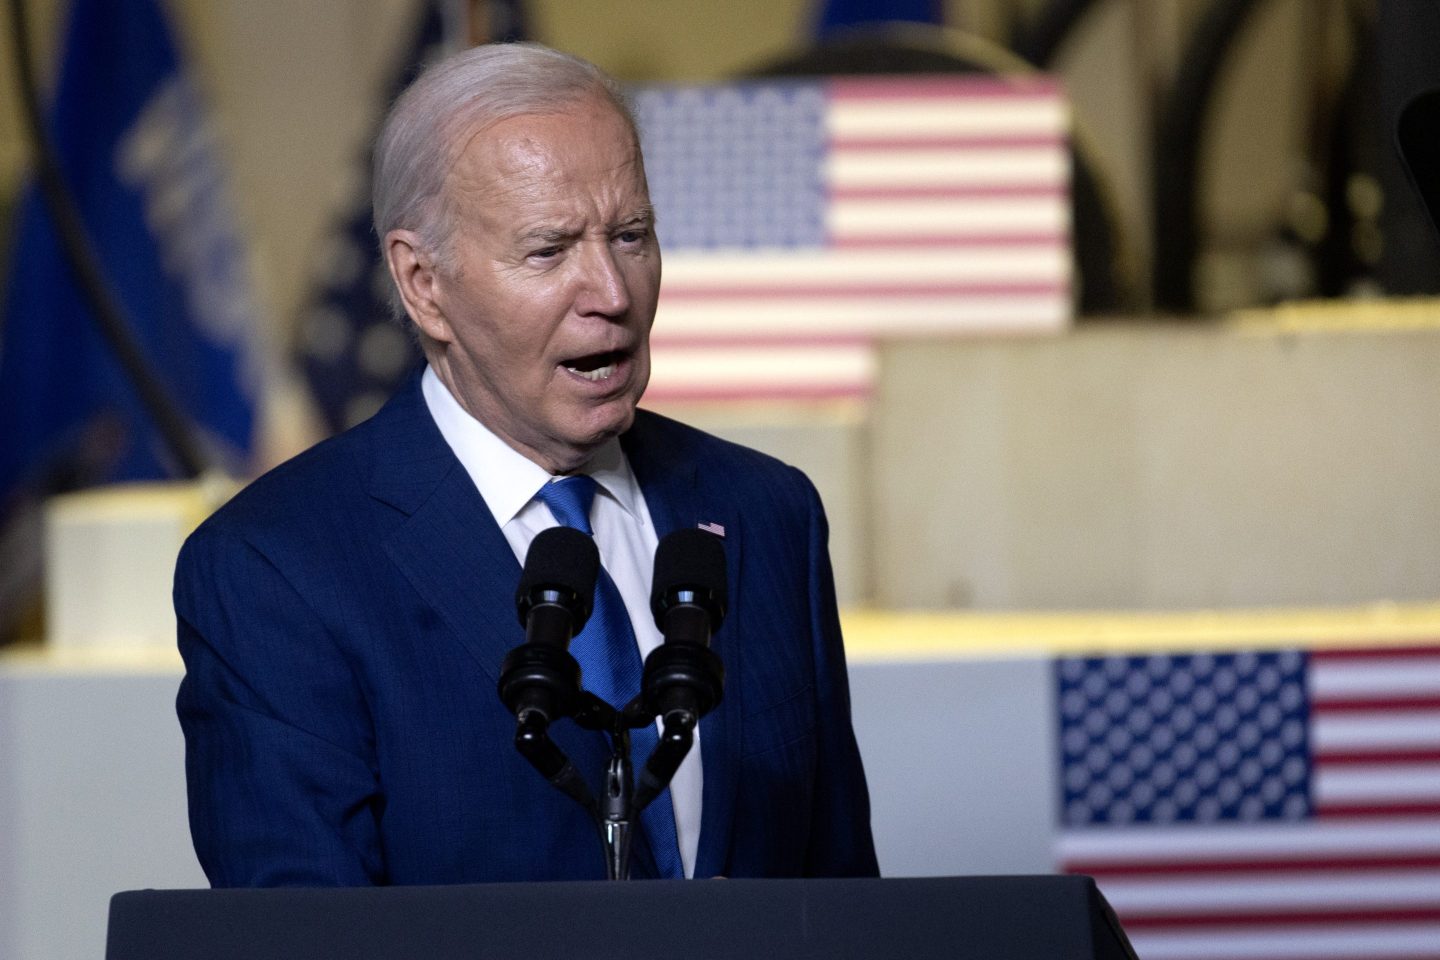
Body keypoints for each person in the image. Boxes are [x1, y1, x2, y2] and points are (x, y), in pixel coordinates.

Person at [174, 42, 878, 886]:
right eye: (549, 250)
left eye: (631, 236)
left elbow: (841, 904)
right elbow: (296, 941)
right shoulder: (277, 569)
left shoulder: (767, 513)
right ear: (422, 283)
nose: (612, 292)